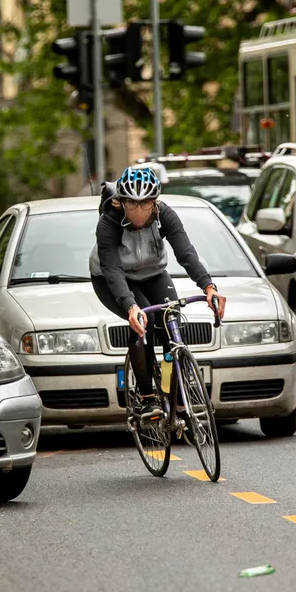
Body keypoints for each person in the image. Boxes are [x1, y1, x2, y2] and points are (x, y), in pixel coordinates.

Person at [90, 166, 226, 416]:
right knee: (145, 319)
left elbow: (186, 253)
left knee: (171, 319)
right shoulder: (109, 221)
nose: (139, 211)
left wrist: (208, 286)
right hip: (112, 279)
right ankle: (147, 399)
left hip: (153, 273)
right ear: (121, 202)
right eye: (132, 204)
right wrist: (131, 306)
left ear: (155, 202)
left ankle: (176, 391)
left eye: (146, 204)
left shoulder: (165, 215)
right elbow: (112, 269)